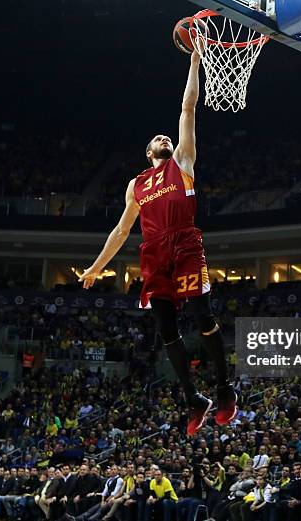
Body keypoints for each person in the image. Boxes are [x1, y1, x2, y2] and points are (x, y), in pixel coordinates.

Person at [79, 46, 236, 435]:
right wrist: (97, 268)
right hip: (153, 255)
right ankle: (192, 400)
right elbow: (120, 231)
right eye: (157, 139)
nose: (164, 137)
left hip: (184, 244)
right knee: (165, 329)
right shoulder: (136, 184)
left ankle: (223, 389)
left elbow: (187, 109)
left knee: (202, 318)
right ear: (148, 152)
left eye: (166, 136)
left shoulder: (182, 162)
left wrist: (196, 61)